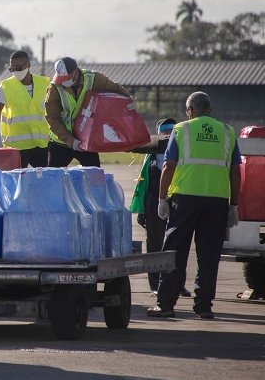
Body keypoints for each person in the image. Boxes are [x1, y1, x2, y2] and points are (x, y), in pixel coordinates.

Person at [147, 91, 241, 319]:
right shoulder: (227, 132)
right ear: (209, 110)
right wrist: (234, 205)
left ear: (189, 111)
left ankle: (166, 303)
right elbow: (236, 171)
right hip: (217, 201)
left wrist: (161, 199)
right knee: (208, 255)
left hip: (185, 200)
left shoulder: (181, 130)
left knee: (173, 252)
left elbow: (168, 166)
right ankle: (204, 306)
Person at [130, 118, 191, 297]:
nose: (167, 134)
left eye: (171, 131)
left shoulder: (180, 152)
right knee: (155, 244)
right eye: (165, 131)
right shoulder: (149, 156)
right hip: (154, 202)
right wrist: (142, 211)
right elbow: (142, 184)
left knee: (177, 244)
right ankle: (155, 285)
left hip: (176, 199)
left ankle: (178, 284)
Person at [44, 57, 133, 168]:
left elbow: (114, 88)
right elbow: (52, 118)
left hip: (86, 140)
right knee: (53, 178)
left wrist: (128, 98)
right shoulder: (54, 88)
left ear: (75, 72)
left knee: (94, 176)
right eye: (60, 78)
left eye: (65, 77)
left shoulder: (92, 78)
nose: (62, 81)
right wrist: (70, 140)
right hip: (61, 142)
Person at [0, 50, 51, 168]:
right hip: (17, 146)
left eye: (18, 68)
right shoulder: (6, 87)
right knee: (17, 181)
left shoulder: (44, 84)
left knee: (44, 180)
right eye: (12, 69)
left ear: (28, 65)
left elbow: (54, 110)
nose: (15, 71)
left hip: (41, 144)